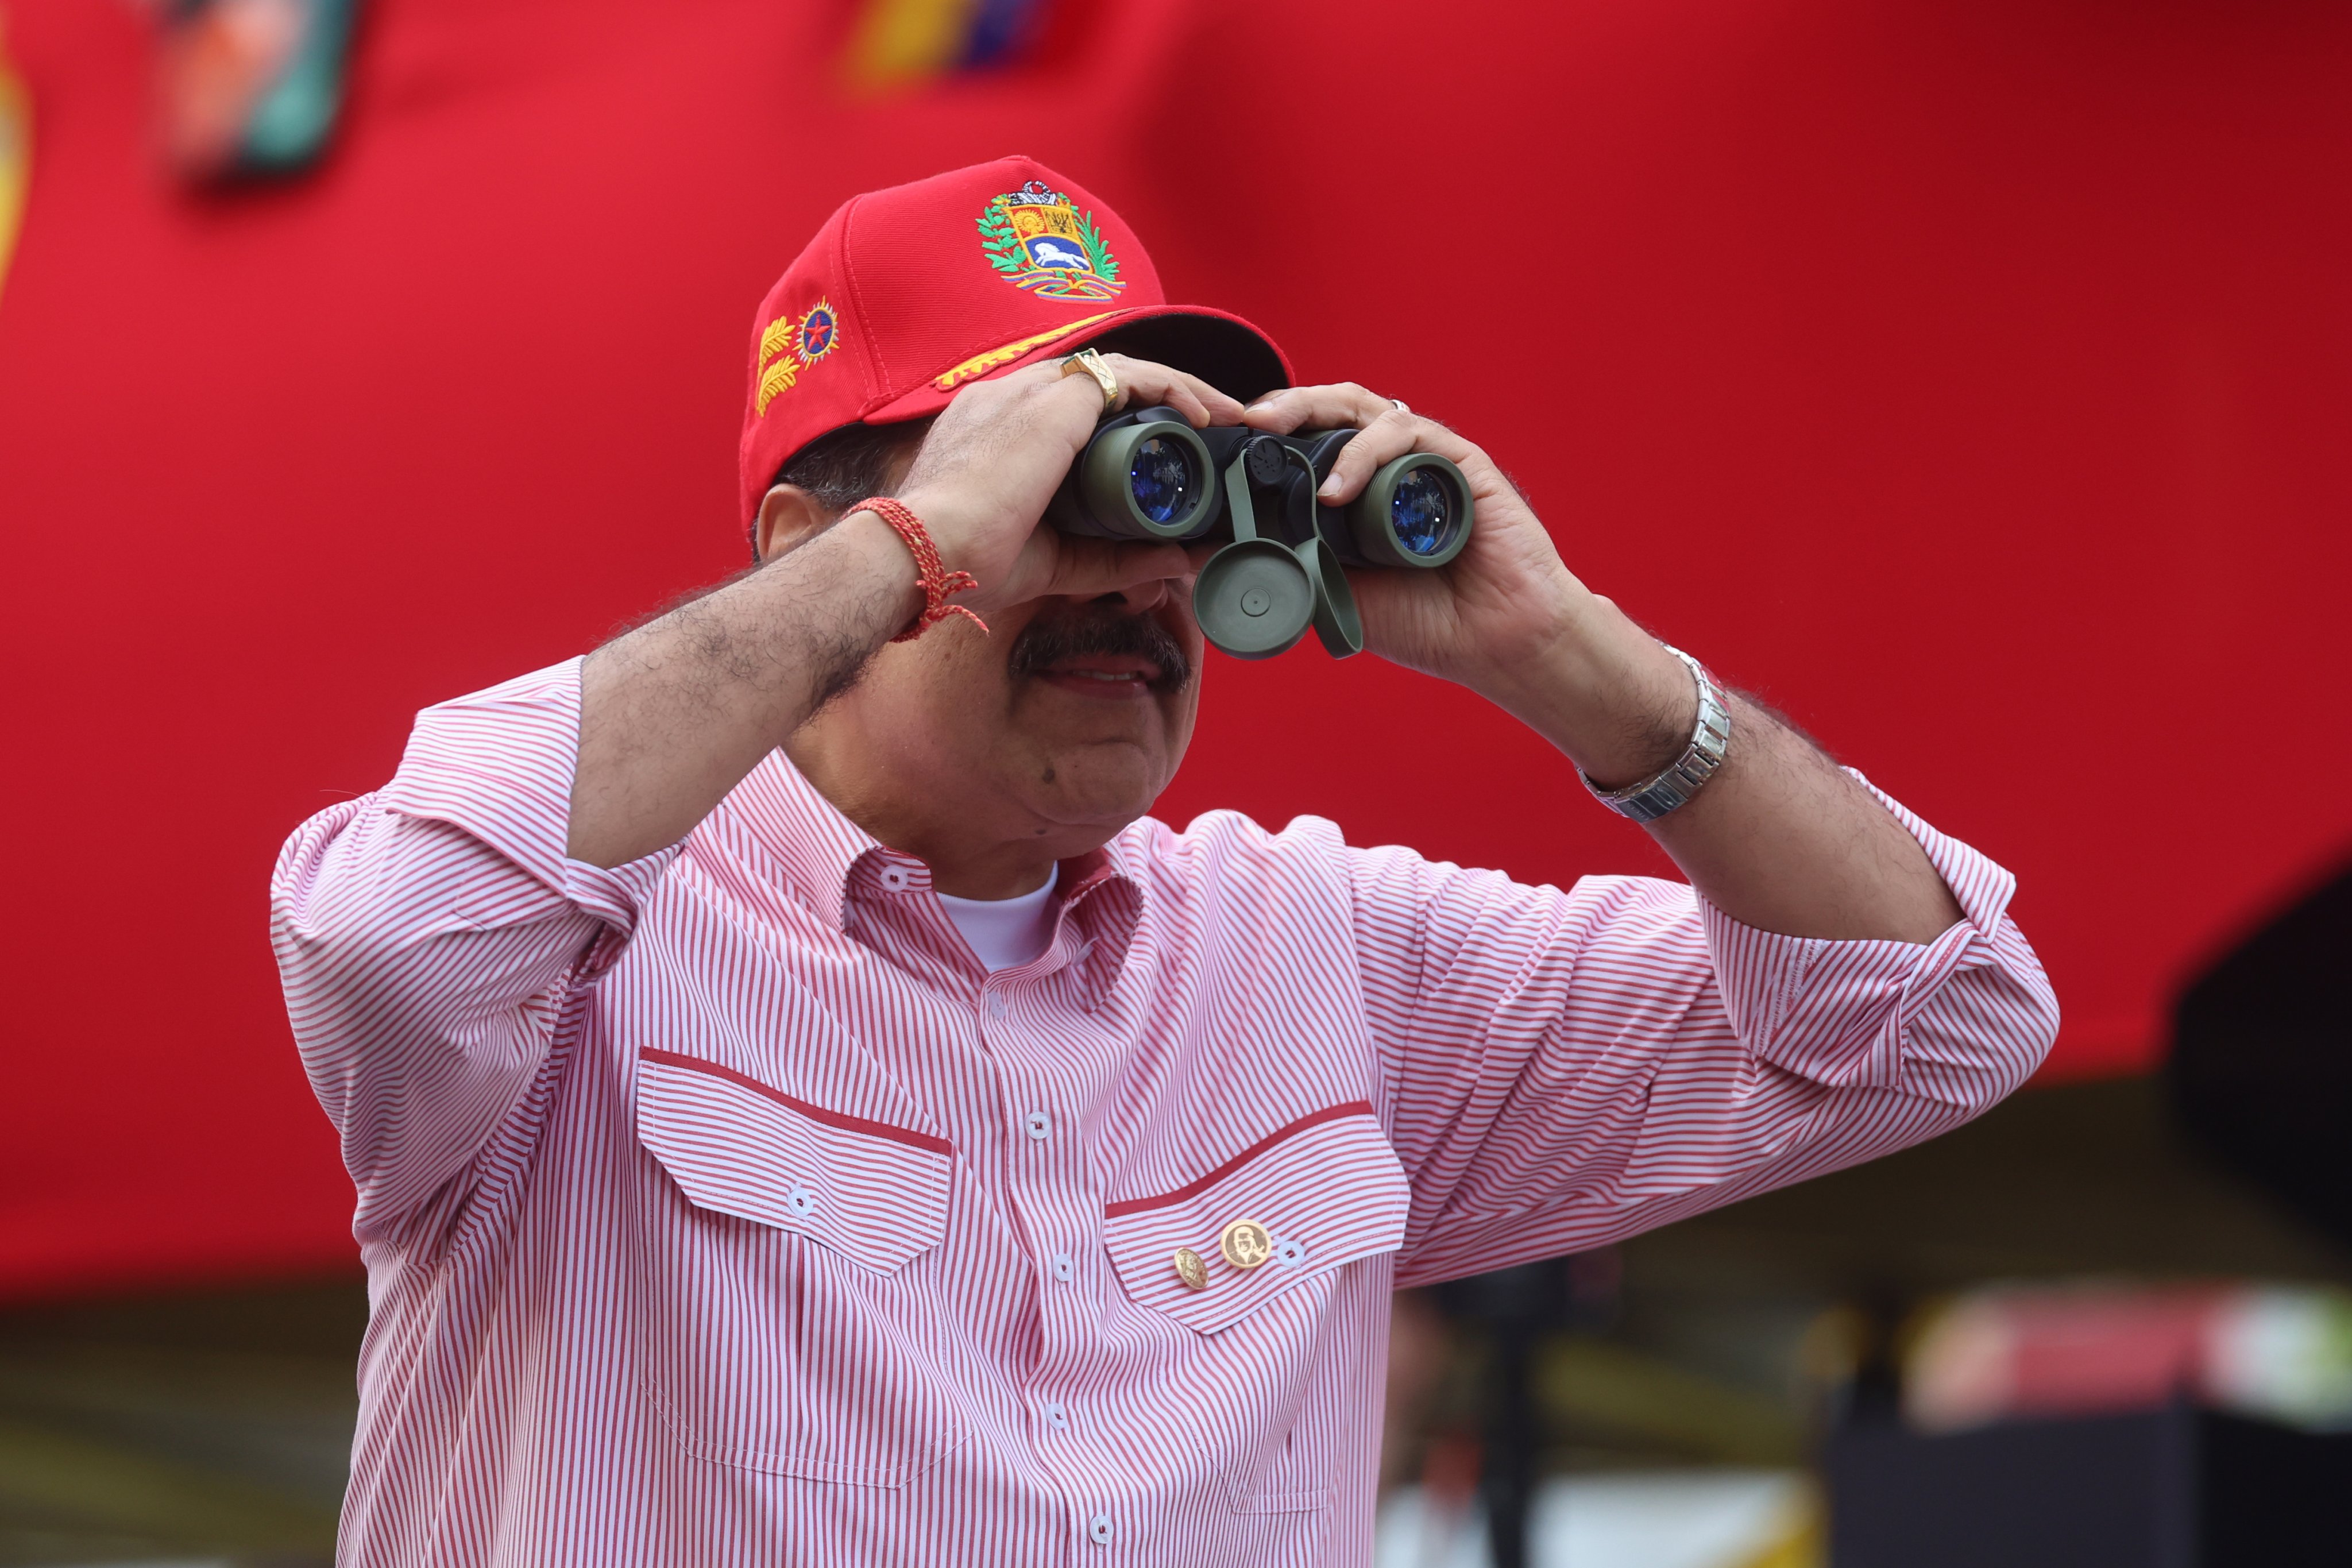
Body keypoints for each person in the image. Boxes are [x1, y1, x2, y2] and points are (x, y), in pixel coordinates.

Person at [271, 157, 2057, 1565]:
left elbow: (1940, 1014)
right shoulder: (592, 948)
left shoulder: (1316, 956)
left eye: (1175, 496)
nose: (1138, 579)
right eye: (1069, 490)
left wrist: (1564, 652)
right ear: (827, 541)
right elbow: (384, 937)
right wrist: (918, 550)